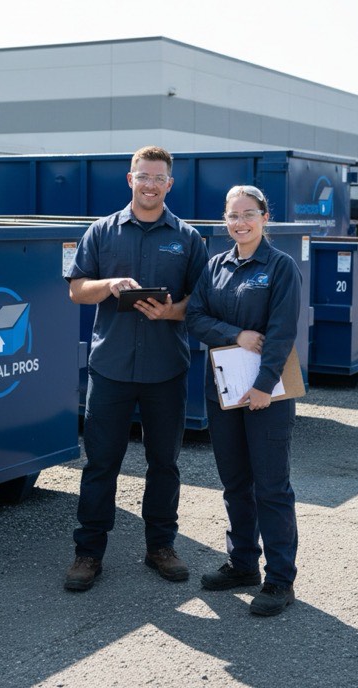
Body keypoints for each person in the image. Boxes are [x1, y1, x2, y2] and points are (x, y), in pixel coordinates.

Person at [63, 145, 208, 592]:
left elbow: (200, 304)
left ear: (170, 184)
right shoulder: (102, 232)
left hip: (166, 370)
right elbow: (76, 291)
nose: (150, 184)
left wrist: (169, 313)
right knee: (101, 463)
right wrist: (108, 285)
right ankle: (88, 553)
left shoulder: (188, 239)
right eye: (142, 176)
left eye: (158, 178)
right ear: (130, 179)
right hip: (110, 368)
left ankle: (160, 547)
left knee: (164, 463)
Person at [186, 185, 301, 616]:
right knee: (235, 483)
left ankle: (279, 579)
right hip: (223, 391)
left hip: (266, 393)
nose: (240, 223)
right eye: (232, 216)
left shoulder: (281, 267)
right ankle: (242, 564)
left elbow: (283, 330)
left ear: (265, 217)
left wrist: (264, 385)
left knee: (271, 487)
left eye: (248, 214)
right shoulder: (214, 267)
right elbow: (195, 316)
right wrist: (235, 335)